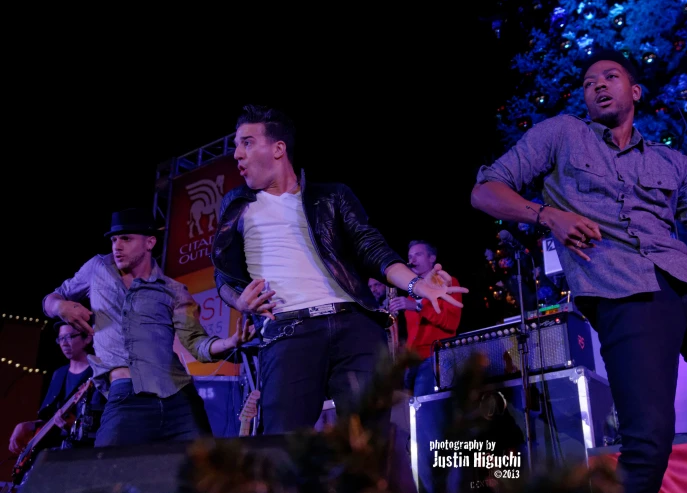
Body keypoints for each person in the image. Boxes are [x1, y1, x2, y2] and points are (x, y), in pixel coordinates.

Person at [470, 49, 687, 493]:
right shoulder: (561, 133)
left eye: (610, 77)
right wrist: (549, 215)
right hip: (624, 290)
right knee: (647, 440)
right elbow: (485, 190)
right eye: (590, 83)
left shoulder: (672, 162)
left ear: (635, 90)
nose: (599, 86)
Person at [211, 104, 467, 436]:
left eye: (246, 142)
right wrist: (240, 302)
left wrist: (419, 284)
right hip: (289, 331)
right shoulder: (236, 205)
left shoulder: (331, 195)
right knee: (282, 450)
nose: (236, 155)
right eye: (235, 145)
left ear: (278, 149)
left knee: (370, 446)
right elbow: (223, 276)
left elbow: (372, 248)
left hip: (354, 326)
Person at [42, 207, 255, 447]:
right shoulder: (97, 268)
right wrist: (60, 307)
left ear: (149, 242)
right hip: (126, 396)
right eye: (113, 240)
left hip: (179, 399)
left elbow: (196, 344)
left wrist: (231, 341)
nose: (117, 246)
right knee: (104, 473)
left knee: (204, 476)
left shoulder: (173, 290)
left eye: (126, 238)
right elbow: (51, 298)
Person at [8, 321, 102, 456]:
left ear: (87, 338)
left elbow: (99, 425)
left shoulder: (97, 373)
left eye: (69, 337)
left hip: (83, 454)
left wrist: (74, 426)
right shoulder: (59, 374)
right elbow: (50, 419)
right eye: (61, 338)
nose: (63, 343)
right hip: (55, 451)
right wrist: (28, 425)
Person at [390, 240, 462, 396]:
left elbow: (451, 323)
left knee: (424, 413)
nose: (412, 260)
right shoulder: (411, 292)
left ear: (432, 258)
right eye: (410, 256)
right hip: (412, 362)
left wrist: (417, 307)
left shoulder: (448, 283)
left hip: (436, 358)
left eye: (418, 254)